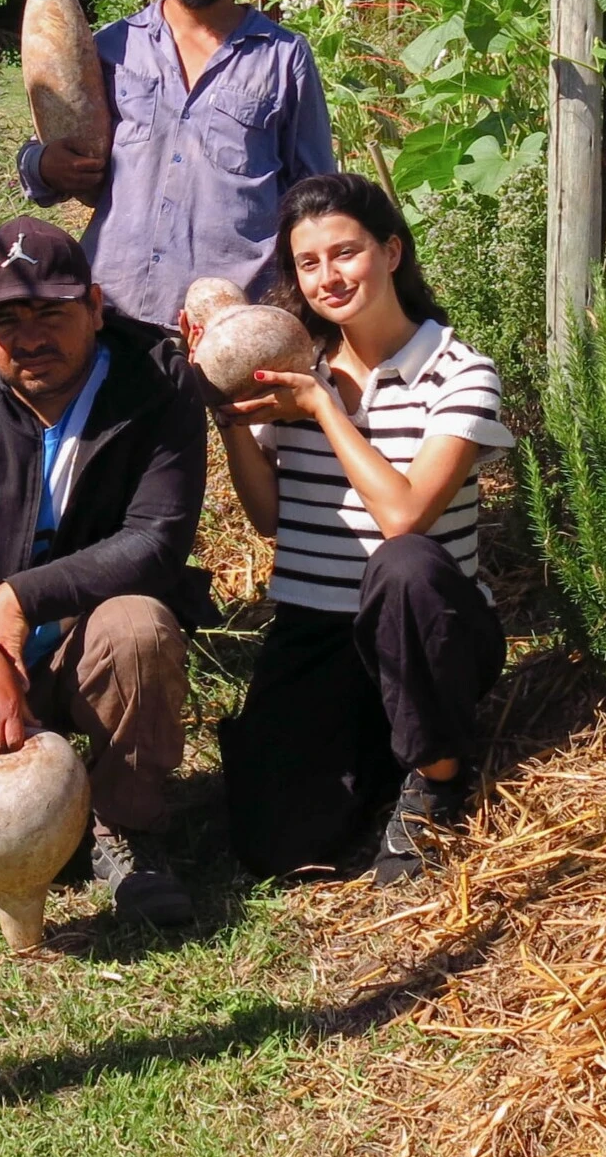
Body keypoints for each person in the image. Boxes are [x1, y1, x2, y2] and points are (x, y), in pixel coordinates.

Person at [0, 215, 208, 929]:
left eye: (50, 313)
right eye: (6, 320)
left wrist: (20, 597)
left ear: (95, 306)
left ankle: (125, 827)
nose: (30, 337)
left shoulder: (157, 386)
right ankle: (31, 801)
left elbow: (157, 538)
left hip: (86, 647)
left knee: (140, 627)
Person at [204, 173, 515, 886]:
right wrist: (233, 423)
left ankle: (437, 776)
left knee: (404, 562)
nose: (327, 277)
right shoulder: (296, 369)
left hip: (428, 627)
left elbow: (405, 515)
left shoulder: (459, 373)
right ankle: (382, 748)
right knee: (276, 849)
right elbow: (270, 518)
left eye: (345, 253)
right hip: (318, 629)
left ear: (393, 252)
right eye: (308, 264)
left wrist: (325, 412)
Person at [18, 0, 334, 333]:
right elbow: (54, 144)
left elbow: (313, 197)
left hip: (236, 326)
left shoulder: (284, 57)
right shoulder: (109, 49)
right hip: (113, 315)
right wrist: (41, 166)